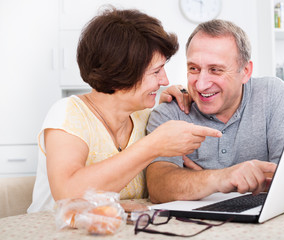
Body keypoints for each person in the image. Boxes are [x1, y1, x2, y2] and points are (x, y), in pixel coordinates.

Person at [28, 8, 221, 213]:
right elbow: (67, 194)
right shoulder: (68, 113)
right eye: (156, 71)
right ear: (121, 74)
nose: (165, 80)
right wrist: (154, 145)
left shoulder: (145, 117)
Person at [146, 19, 284, 203]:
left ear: (246, 71)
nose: (201, 85)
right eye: (193, 68)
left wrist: (194, 181)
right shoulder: (170, 112)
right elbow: (158, 187)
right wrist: (221, 178)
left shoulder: (272, 94)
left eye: (215, 70)